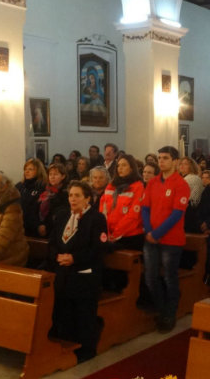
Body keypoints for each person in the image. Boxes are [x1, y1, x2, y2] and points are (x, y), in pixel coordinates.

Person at [48, 180, 107, 362]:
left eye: (77, 196)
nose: (73, 199)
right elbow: (52, 242)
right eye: (70, 195)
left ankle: (85, 349)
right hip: (63, 272)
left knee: (83, 313)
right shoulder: (63, 215)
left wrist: (74, 258)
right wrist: (57, 256)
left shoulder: (96, 219)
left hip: (85, 273)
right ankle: (66, 343)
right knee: (63, 309)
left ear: (87, 198)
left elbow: (98, 248)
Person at [142, 146, 190, 332]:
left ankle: (169, 314)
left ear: (175, 161)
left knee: (170, 278)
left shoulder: (181, 184)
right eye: (160, 158)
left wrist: (157, 233)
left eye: (166, 158)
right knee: (150, 278)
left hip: (171, 240)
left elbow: (177, 214)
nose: (161, 161)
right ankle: (162, 311)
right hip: (151, 237)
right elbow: (145, 208)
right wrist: (148, 230)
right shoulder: (153, 182)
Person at [100, 153, 145, 250]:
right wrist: (107, 233)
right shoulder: (111, 185)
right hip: (109, 234)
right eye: (118, 165)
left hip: (129, 235)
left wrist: (115, 234)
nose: (120, 168)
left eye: (124, 165)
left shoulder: (137, 186)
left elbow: (133, 215)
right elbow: (103, 211)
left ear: (132, 168)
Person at [16, 158, 47, 236]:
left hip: (35, 227)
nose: (27, 171)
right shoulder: (19, 186)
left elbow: (43, 209)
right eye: (25, 169)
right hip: (19, 225)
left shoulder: (43, 187)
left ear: (38, 171)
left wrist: (40, 224)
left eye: (30, 169)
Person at [36, 163, 69, 237]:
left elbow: (61, 214)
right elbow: (37, 210)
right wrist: (40, 224)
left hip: (56, 229)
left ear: (63, 176)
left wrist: (46, 226)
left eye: (56, 174)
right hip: (41, 227)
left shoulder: (65, 193)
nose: (52, 177)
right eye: (50, 174)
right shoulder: (45, 191)